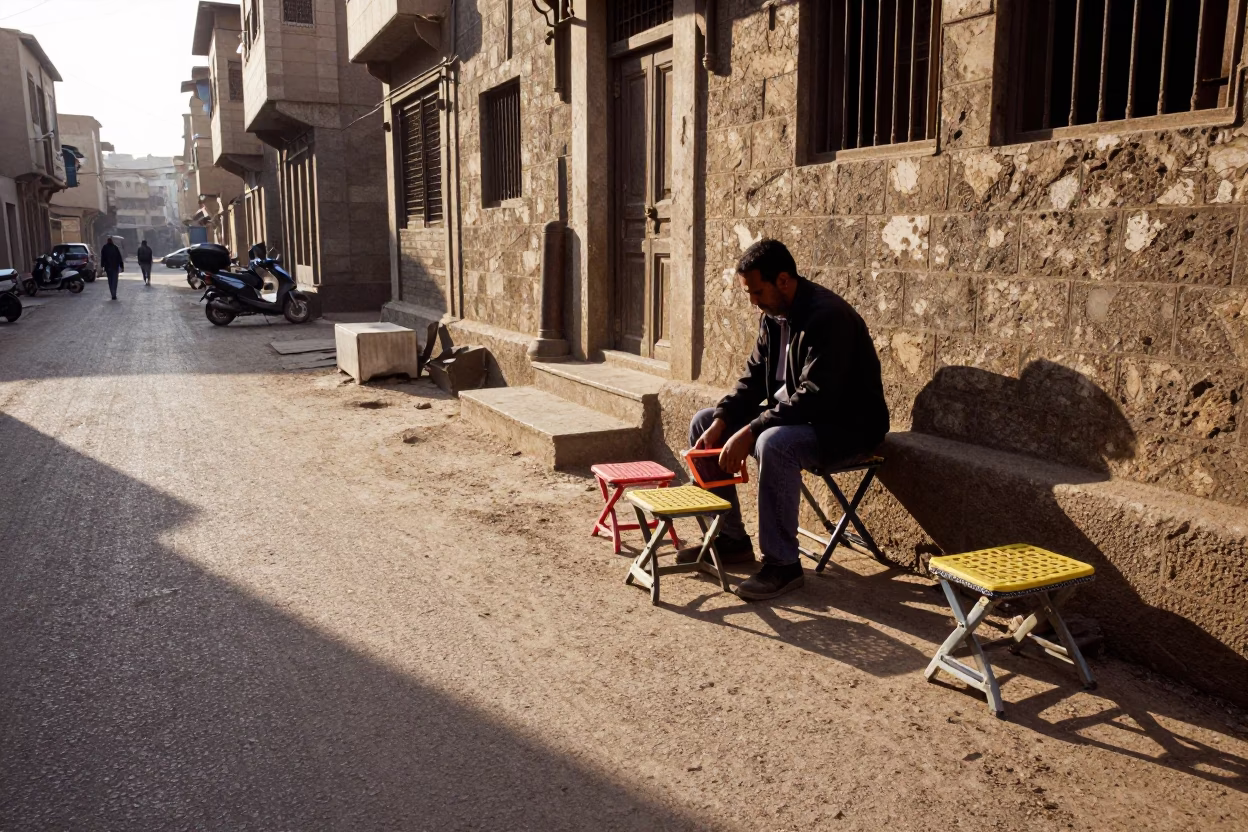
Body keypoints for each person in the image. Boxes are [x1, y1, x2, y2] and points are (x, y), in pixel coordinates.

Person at [685, 238, 890, 601]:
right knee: (704, 422)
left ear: (783, 280)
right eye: (749, 292)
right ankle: (731, 539)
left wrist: (751, 430)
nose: (753, 301)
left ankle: (783, 565)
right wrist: (725, 417)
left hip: (847, 429)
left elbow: (816, 396)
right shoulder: (773, 317)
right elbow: (751, 380)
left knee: (773, 443)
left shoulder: (828, 317)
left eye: (757, 291)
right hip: (800, 421)